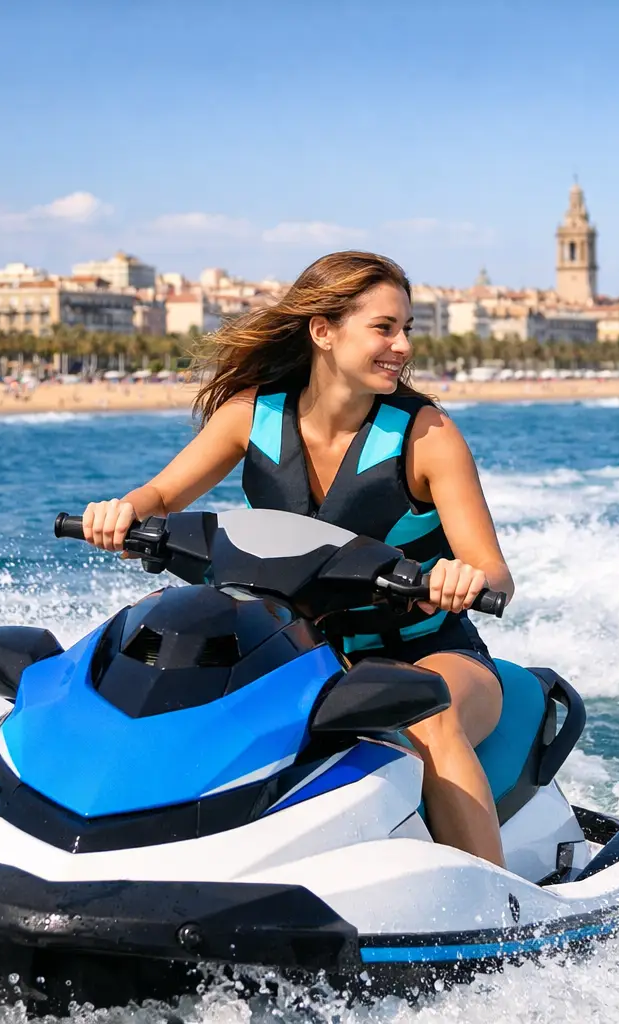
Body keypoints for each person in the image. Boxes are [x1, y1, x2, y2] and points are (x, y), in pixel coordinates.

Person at [80, 251, 512, 867]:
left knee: (425, 714)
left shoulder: (426, 435)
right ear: (323, 331)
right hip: (303, 652)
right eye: (384, 328)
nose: (402, 346)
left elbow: (495, 573)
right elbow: (160, 496)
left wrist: (462, 577)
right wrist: (120, 512)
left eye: (406, 329)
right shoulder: (251, 416)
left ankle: (495, 918)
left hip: (428, 650)